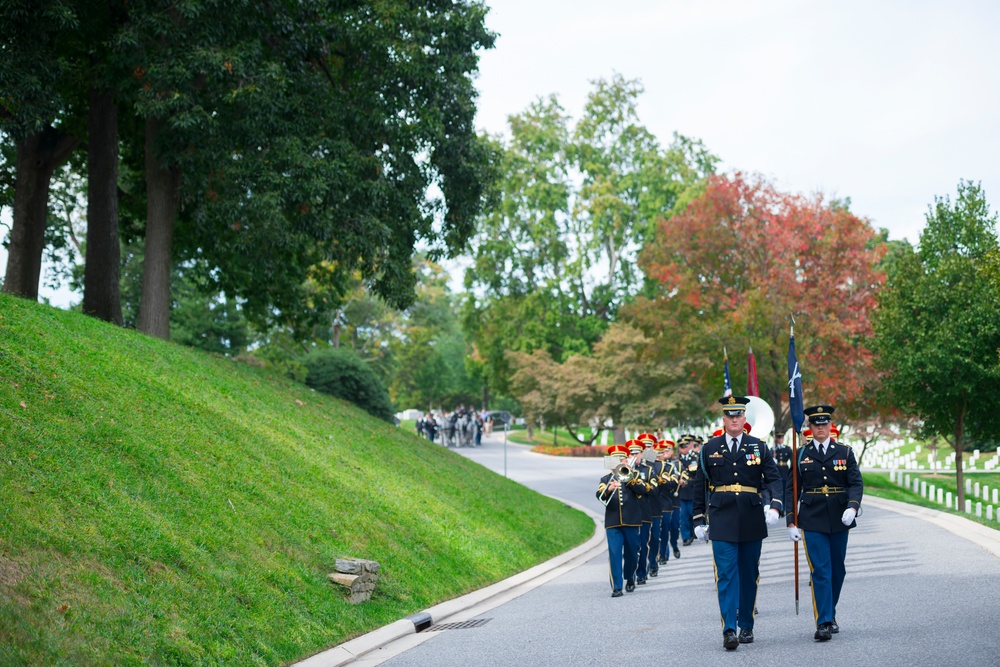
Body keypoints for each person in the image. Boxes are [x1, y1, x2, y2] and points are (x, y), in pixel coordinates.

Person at [693, 396, 784, 650]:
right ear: (724, 419)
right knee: (726, 574)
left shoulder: (759, 447)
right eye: (729, 416)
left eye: (738, 415)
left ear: (745, 419)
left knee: (748, 573)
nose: (734, 420)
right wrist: (698, 519)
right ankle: (729, 629)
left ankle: (746, 625)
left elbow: (774, 480)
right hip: (721, 517)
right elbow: (699, 487)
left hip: (752, 516)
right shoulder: (709, 448)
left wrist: (775, 506)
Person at [786, 404, 863, 641]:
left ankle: (830, 611)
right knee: (820, 570)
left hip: (840, 516)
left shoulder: (845, 452)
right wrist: (791, 521)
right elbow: (792, 489)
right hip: (812, 517)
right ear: (810, 427)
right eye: (815, 424)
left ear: (831, 425)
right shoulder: (800, 454)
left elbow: (855, 483)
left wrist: (853, 506)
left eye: (824, 423)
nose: (820, 428)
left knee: (837, 570)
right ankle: (824, 621)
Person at [596, 443, 646, 597]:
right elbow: (599, 495)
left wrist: (629, 479)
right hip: (613, 523)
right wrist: (609, 489)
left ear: (626, 460)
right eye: (615, 459)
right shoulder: (605, 479)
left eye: (622, 458)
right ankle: (617, 587)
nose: (619, 461)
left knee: (632, 553)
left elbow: (642, 490)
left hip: (631, 521)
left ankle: (630, 576)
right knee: (615, 553)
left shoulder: (635, 476)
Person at [655, 439, 680, 564]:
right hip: (652, 504)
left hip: (665, 503)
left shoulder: (670, 467)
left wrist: (664, 481)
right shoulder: (649, 467)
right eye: (657, 453)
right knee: (654, 532)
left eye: (661, 453)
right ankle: (656, 556)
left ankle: (664, 553)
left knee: (666, 530)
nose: (659, 455)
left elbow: (674, 483)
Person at [676, 436, 697, 545]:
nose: (683, 449)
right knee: (683, 516)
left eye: (685, 446)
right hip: (682, 491)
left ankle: (693, 532)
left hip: (692, 489)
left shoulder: (694, 457)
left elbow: (694, 470)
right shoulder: (676, 459)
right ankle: (686, 537)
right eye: (681, 447)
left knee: (691, 513)